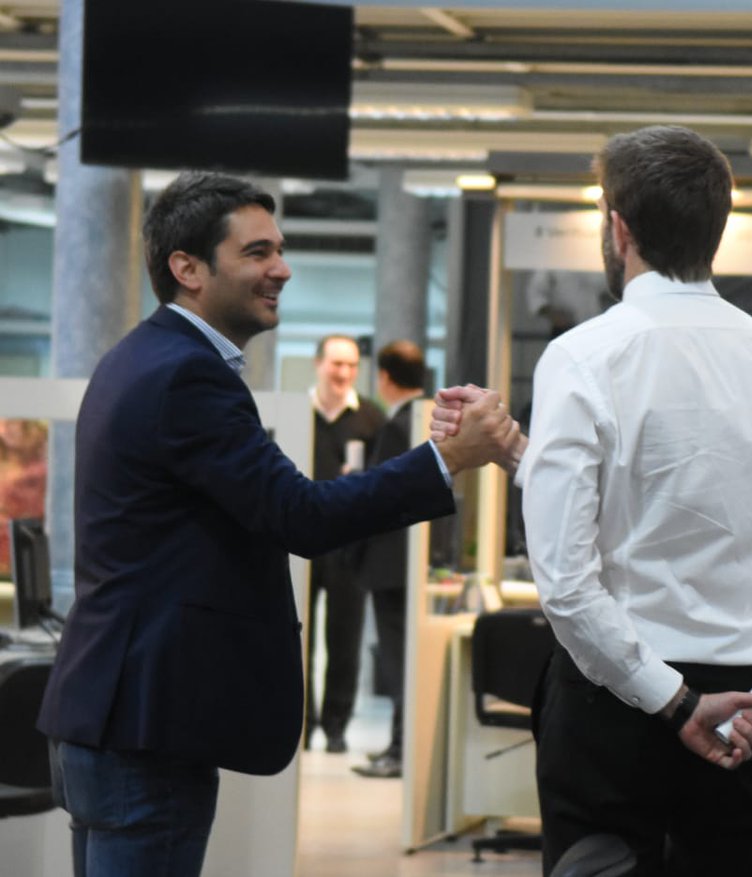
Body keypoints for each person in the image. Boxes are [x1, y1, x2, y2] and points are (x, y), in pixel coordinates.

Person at [36, 171, 518, 877]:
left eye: (280, 249)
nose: (281, 269)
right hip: (145, 725)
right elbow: (301, 515)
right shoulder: (186, 375)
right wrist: (446, 459)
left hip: (117, 712)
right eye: (258, 252)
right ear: (188, 268)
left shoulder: (143, 356)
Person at [437, 125, 752, 876]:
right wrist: (526, 457)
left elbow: (570, 584)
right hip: (747, 697)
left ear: (618, 227)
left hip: (621, 701)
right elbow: (691, 503)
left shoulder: (586, 355)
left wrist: (670, 702)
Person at [350, 339, 427, 779]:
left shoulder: (398, 426)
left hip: (391, 567)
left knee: (399, 664)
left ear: (383, 377)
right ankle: (401, 746)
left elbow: (379, 497)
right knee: (404, 662)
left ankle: (400, 749)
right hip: (410, 566)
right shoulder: (428, 416)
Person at [305, 333, 385, 753]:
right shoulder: (297, 412)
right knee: (296, 637)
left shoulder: (371, 418)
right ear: (318, 364)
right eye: (336, 364)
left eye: (351, 365)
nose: (343, 373)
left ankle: (336, 726)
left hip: (350, 547)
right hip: (297, 542)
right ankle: (302, 725)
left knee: (345, 639)